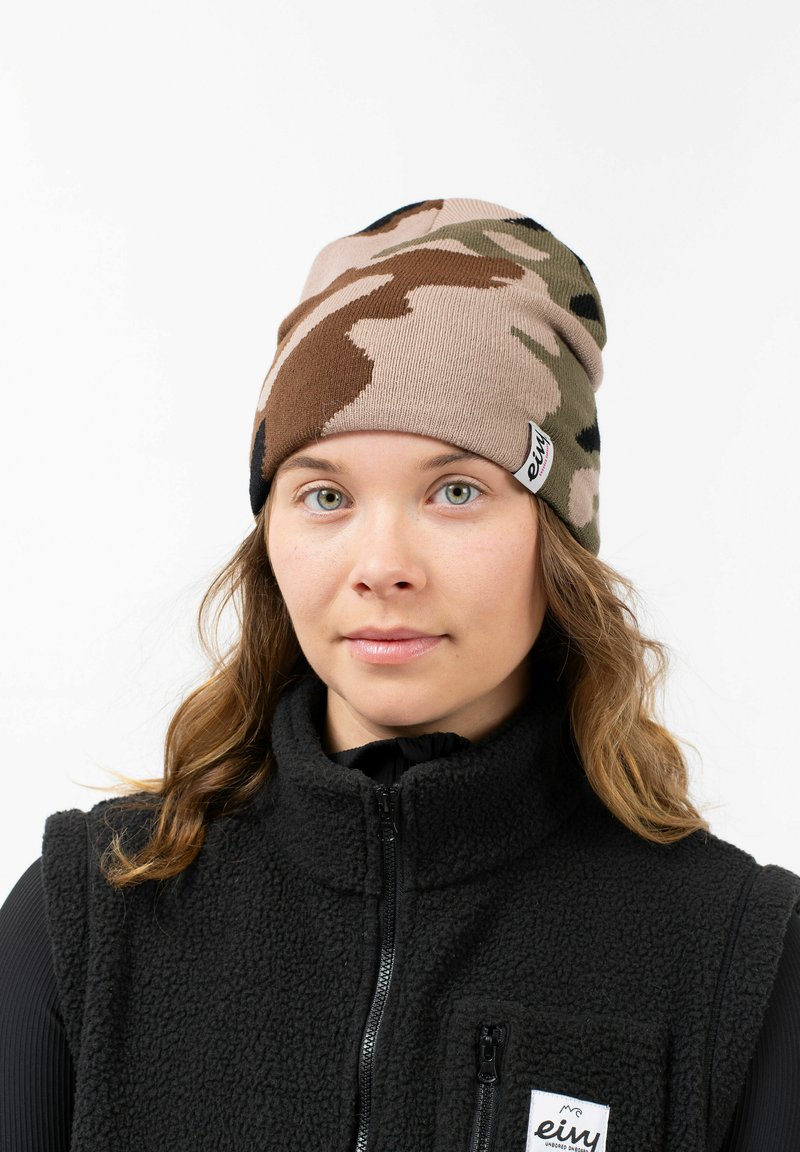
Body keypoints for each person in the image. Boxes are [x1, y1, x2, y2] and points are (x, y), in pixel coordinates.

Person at [0, 198, 798, 1152]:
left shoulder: (737, 953)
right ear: (270, 537)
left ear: (557, 539)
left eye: (455, 491)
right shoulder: (87, 915)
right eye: (325, 495)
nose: (382, 566)